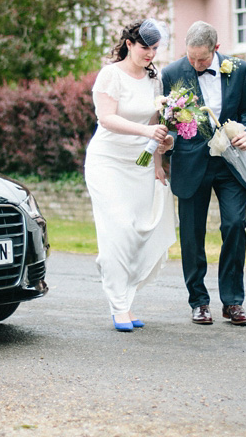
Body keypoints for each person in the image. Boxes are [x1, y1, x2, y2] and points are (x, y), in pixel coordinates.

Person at [161, 21, 246, 326]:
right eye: (191, 58)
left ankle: (233, 302)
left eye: (202, 59)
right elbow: (170, 121)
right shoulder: (172, 73)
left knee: (234, 224)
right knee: (192, 235)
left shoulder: (238, 69)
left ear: (216, 49)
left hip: (231, 163)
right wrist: (167, 143)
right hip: (190, 163)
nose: (196, 64)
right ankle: (198, 301)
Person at [84, 19, 177, 332]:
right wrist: (146, 130)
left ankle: (126, 302)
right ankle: (118, 307)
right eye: (144, 47)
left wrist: (160, 158)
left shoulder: (154, 80)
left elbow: (155, 127)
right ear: (129, 44)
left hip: (139, 166)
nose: (150, 53)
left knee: (137, 233)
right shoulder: (110, 75)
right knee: (119, 231)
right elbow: (106, 119)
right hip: (107, 163)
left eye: (154, 48)